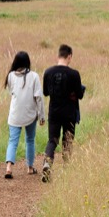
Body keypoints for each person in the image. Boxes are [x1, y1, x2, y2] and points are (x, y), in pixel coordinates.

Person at [42, 44, 83, 182]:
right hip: (69, 112)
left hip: (54, 111)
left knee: (52, 140)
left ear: (58, 56)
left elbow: (45, 92)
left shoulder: (48, 72)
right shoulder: (74, 74)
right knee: (68, 141)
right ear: (69, 56)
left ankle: (47, 163)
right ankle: (66, 171)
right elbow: (80, 94)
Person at [4, 51, 44, 179]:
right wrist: (41, 115)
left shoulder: (10, 76)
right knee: (30, 140)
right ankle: (30, 167)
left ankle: (9, 167)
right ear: (28, 62)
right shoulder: (34, 76)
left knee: (12, 140)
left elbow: (12, 92)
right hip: (30, 114)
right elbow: (39, 97)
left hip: (15, 114)